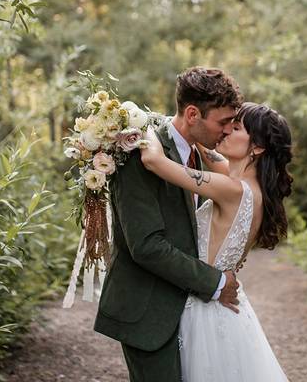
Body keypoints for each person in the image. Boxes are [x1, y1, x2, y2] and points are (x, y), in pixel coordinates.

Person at [94, 67, 244, 382]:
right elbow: (146, 246)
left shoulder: (202, 154)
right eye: (223, 122)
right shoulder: (137, 152)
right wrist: (215, 282)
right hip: (149, 310)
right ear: (193, 114)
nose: (229, 130)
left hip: (190, 311)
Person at [140, 101, 294, 382]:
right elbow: (205, 148)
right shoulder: (248, 187)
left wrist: (140, 122)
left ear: (257, 148)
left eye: (235, 128)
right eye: (225, 124)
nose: (225, 132)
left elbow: (153, 161)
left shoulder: (231, 189)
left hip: (203, 310)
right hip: (226, 309)